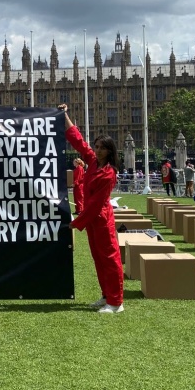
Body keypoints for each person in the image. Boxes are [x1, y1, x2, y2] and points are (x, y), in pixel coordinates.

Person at [59, 103, 124, 314]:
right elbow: (78, 141)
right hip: (93, 219)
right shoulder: (93, 162)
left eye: (101, 147)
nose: (96, 150)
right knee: (98, 257)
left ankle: (116, 302)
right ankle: (106, 295)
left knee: (110, 258)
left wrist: (75, 223)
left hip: (102, 218)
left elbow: (96, 204)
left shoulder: (108, 173)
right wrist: (64, 115)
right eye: (96, 146)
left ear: (109, 151)